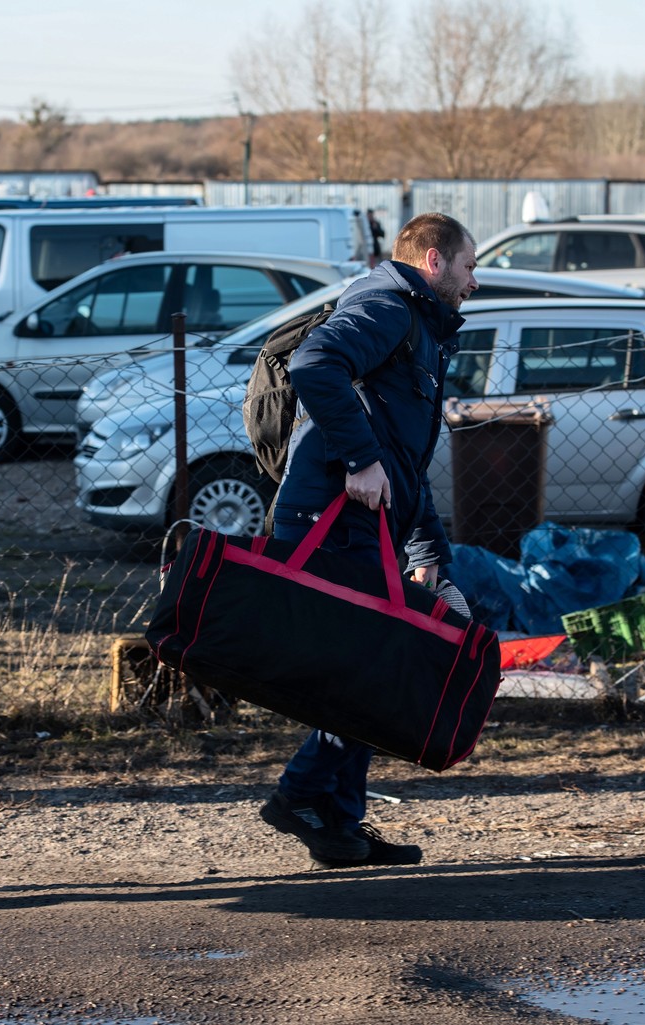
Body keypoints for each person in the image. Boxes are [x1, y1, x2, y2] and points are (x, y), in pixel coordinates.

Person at [257, 212, 478, 869]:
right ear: (434, 262)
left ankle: (339, 823)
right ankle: (302, 793)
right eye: (469, 266)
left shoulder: (421, 329)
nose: (476, 281)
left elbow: (404, 465)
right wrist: (358, 460)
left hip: (370, 521)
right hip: (332, 519)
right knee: (369, 667)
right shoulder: (388, 307)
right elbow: (314, 364)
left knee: (366, 665)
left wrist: (432, 559)